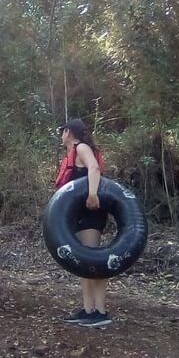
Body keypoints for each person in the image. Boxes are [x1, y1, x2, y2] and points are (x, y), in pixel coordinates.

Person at [56, 118, 112, 328]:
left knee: (92, 260)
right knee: (83, 264)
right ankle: (88, 310)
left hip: (91, 213)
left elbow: (94, 168)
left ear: (68, 132)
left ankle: (101, 312)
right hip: (77, 215)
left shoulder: (81, 148)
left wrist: (92, 194)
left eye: (62, 131)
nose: (61, 135)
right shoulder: (73, 152)